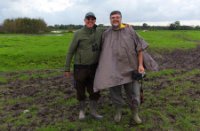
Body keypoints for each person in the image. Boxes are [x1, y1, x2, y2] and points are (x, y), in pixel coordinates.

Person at [93, 11, 158, 124]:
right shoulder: (106, 33)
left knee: (134, 94)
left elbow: (140, 48)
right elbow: (100, 49)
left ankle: (135, 114)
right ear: (110, 19)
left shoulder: (130, 30)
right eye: (113, 18)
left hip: (131, 70)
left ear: (121, 18)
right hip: (113, 70)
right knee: (115, 94)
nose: (115, 19)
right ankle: (118, 111)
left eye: (117, 17)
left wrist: (141, 65)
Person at [64, 12, 103, 120]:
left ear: (95, 20)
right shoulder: (78, 33)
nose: (90, 21)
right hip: (80, 67)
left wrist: (125, 26)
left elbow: (114, 29)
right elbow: (70, 51)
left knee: (95, 90)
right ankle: (82, 111)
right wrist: (67, 68)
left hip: (94, 67)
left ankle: (94, 111)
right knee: (80, 90)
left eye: (92, 19)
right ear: (84, 20)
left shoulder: (100, 32)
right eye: (88, 19)